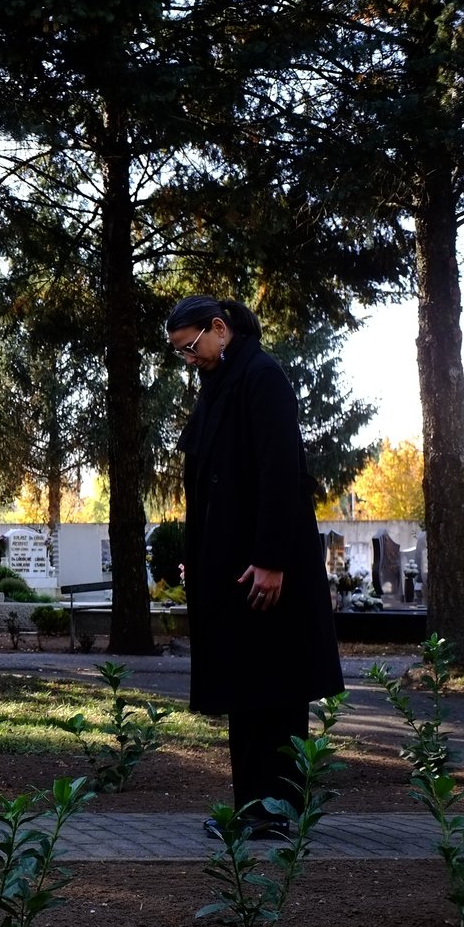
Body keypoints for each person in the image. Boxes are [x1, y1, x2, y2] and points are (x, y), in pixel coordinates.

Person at [165, 294, 344, 840]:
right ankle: (251, 810)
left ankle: (280, 811)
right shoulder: (220, 384)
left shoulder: (262, 377)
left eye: (192, 347)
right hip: (232, 569)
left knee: (277, 692)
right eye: (180, 354)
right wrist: (199, 558)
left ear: (220, 329)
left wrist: (271, 561)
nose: (189, 360)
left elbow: (278, 474)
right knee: (245, 692)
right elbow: (209, 485)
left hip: (267, 570)